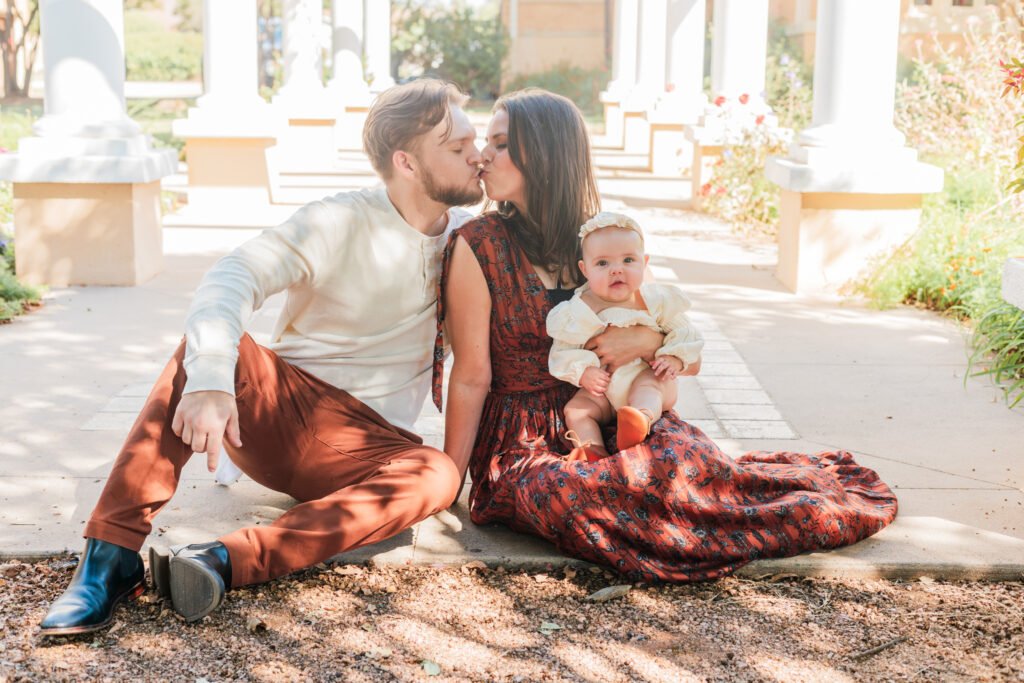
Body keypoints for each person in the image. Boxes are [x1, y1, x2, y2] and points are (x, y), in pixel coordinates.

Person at [40, 79, 483, 635]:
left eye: (476, 139)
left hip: (372, 445)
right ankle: (110, 557)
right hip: (282, 416)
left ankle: (221, 560)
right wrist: (210, 380)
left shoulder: (471, 238)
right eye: (457, 144)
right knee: (206, 351)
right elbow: (233, 276)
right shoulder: (338, 220)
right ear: (408, 163)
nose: (477, 153)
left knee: (437, 473)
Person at [435, 88, 898, 582]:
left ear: (546, 155)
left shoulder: (604, 239)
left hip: (617, 409)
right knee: (573, 493)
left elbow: (664, 328)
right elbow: (471, 378)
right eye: (488, 140)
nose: (484, 154)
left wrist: (650, 345)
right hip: (524, 438)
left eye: (501, 143)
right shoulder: (478, 244)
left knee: (683, 467)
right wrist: (448, 483)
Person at [547, 211, 704, 460]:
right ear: (584, 269)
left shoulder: (655, 301)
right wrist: (583, 372)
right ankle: (591, 448)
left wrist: (673, 358)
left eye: (628, 260)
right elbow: (562, 351)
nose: (616, 270)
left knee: (648, 387)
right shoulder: (579, 311)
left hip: (649, 375)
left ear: (645, 262)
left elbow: (685, 333)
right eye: (603, 263)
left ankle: (639, 420)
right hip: (603, 388)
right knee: (576, 410)